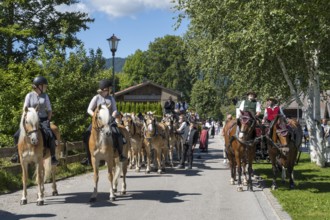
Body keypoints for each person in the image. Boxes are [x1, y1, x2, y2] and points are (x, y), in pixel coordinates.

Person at [11, 76, 59, 165]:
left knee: (51, 135)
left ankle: (52, 157)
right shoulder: (29, 95)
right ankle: (17, 154)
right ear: (38, 86)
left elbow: (49, 109)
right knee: (16, 135)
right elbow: (25, 108)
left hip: (43, 119)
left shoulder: (45, 96)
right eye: (44, 86)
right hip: (31, 120)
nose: (45, 87)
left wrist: (48, 119)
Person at [81, 79, 127, 166]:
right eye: (108, 89)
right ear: (104, 89)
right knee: (86, 135)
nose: (109, 91)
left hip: (109, 121)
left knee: (117, 134)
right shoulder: (96, 98)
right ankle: (88, 157)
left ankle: (120, 154)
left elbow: (114, 110)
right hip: (98, 122)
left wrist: (112, 117)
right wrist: (95, 116)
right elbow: (89, 109)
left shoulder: (111, 98)